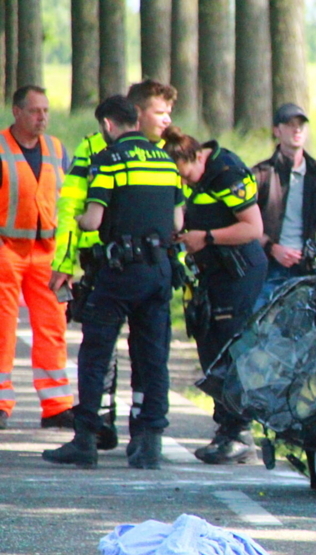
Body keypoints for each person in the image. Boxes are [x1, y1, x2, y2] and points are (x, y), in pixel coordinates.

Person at [42, 95, 184, 469]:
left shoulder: (109, 158)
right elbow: (179, 223)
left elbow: (91, 219)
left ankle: (86, 440)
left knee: (96, 353)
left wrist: (82, 231)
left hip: (120, 272)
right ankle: (149, 443)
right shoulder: (166, 161)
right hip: (159, 272)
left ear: (107, 125)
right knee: (153, 357)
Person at [162, 126, 267, 465]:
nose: (186, 182)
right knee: (209, 344)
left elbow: (253, 228)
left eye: (186, 175)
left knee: (229, 347)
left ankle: (239, 433)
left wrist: (205, 237)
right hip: (210, 273)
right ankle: (226, 428)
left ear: (195, 157)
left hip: (239, 271)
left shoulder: (227, 172)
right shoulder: (184, 174)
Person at [0, 85, 73, 431]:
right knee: (2, 328)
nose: (42, 117)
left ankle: (57, 405)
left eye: (45, 110)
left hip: (48, 252)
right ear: (16, 112)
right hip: (6, 249)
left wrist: (70, 257)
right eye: (34, 111)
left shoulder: (58, 150)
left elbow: (71, 204)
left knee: (53, 327)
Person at [252, 102, 316, 309]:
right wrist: (272, 249)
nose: (297, 129)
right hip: (267, 269)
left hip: (305, 272)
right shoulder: (261, 175)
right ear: (277, 131)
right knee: (261, 331)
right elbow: (245, 224)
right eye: (290, 124)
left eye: (301, 124)